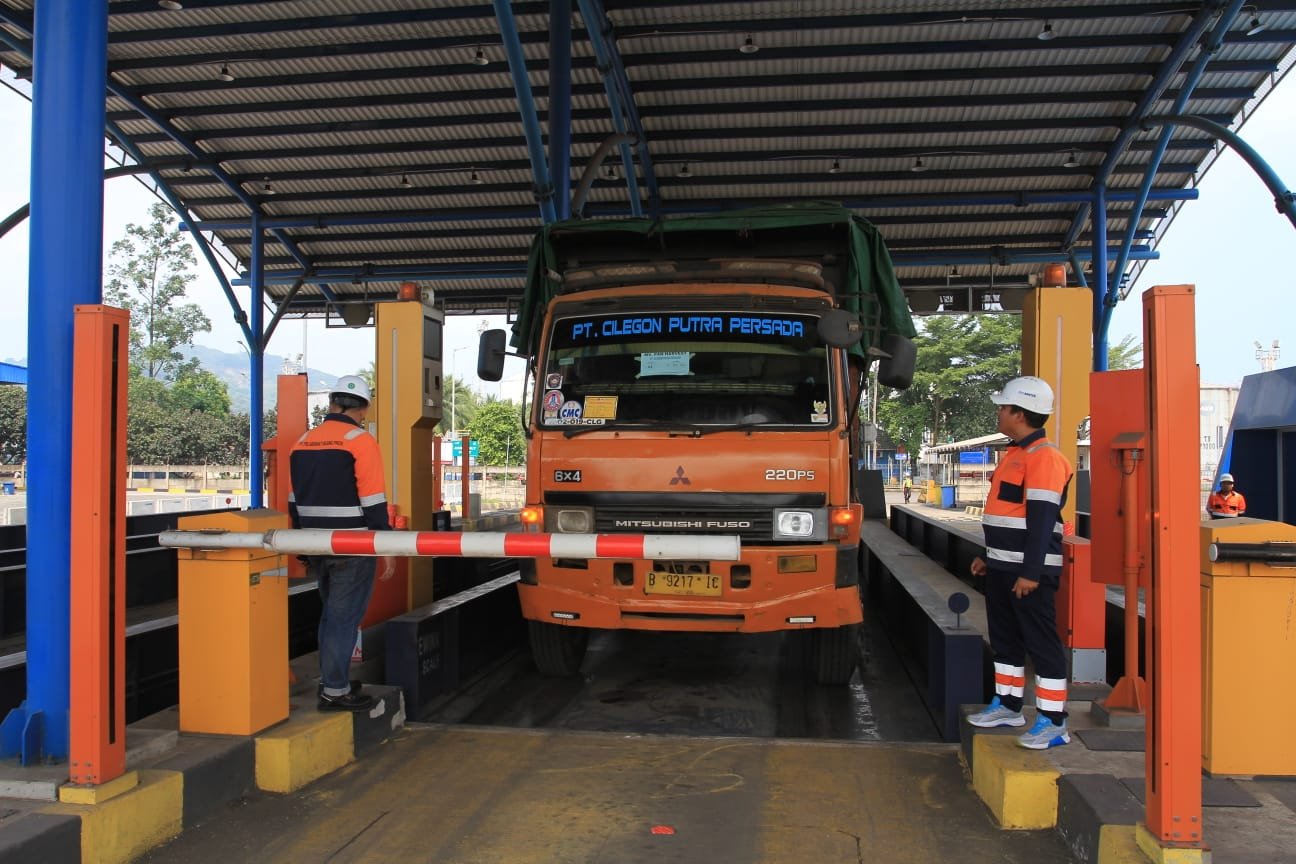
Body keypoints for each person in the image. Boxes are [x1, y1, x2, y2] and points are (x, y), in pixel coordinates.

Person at [966, 376, 1074, 750]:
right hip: (1002, 567)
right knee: (1006, 641)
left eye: (1003, 407)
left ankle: (1054, 721)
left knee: (1042, 646)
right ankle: (1009, 706)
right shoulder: (1015, 455)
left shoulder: (1045, 459)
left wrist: (1031, 573)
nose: (998, 413)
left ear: (1020, 413)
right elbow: (1004, 515)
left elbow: (1043, 520)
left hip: (1030, 573)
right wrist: (986, 555)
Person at [289, 375, 394, 712]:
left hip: (316, 543)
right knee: (342, 619)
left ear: (332, 403)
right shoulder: (360, 440)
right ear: (363, 408)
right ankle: (335, 690)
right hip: (353, 544)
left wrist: (303, 543)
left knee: (331, 616)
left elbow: (294, 501)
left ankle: (335, 680)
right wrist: (385, 545)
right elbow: (374, 501)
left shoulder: (303, 441)